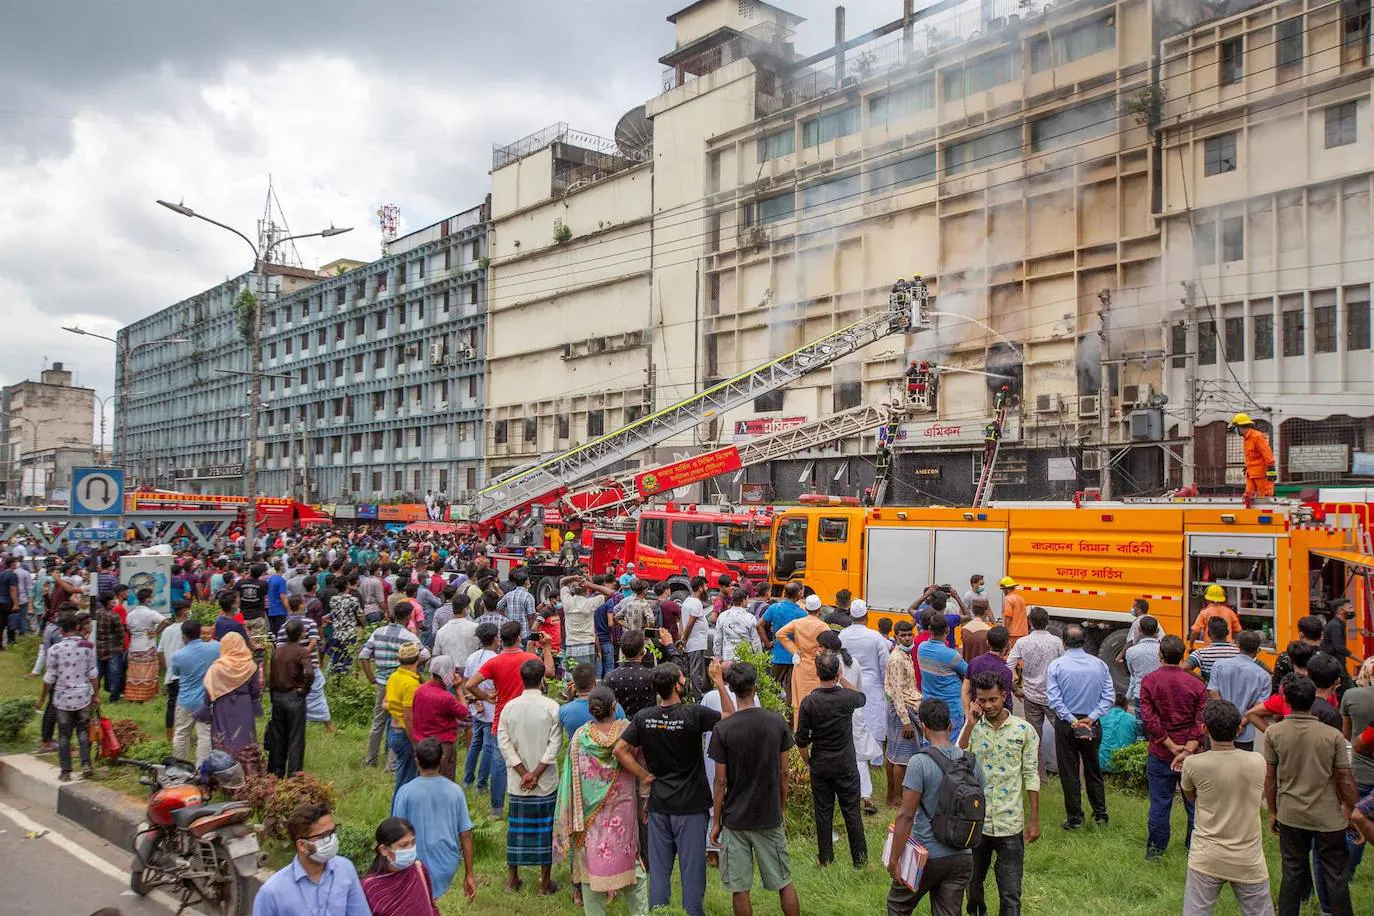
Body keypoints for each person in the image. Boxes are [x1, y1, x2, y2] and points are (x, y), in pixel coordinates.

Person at [616, 660, 732, 916]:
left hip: (659, 804)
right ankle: (693, 912)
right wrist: (719, 683)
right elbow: (730, 717)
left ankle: (659, 911)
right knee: (692, 870)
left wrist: (645, 776)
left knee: (659, 869)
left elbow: (620, 750)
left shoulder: (644, 718)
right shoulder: (693, 714)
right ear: (678, 686)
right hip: (690, 806)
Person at [707, 662, 801, 916]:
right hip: (768, 814)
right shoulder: (776, 721)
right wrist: (781, 806)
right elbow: (784, 772)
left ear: (731, 689)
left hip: (735, 817)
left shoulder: (723, 729)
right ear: (755, 687)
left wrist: (716, 821)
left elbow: (720, 781)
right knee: (783, 880)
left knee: (739, 887)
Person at [555, 685, 653, 916]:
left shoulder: (580, 738)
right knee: (632, 866)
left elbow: (571, 777)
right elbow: (643, 761)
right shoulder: (627, 732)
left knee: (591, 868)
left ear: (591, 711)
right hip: (623, 811)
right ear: (614, 706)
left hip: (590, 816)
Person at [1262, 674, 1356, 916]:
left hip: (1291, 814)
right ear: (1313, 699)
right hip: (1329, 817)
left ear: (1286, 699)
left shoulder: (1274, 733)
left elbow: (1270, 777)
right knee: (1336, 876)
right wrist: (1351, 810)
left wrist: (1272, 811)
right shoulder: (1332, 735)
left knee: (1292, 873)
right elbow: (1344, 777)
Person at [886, 699, 985, 916]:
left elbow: (905, 815)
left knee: (898, 905)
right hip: (962, 856)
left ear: (922, 726)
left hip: (926, 857)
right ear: (950, 725)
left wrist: (894, 859)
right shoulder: (971, 762)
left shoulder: (919, 762)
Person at [958, 672, 1040, 916]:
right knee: (973, 886)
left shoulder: (1024, 731)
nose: (988, 706)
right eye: (982, 700)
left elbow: (1031, 774)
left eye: (993, 699)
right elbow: (957, 760)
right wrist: (970, 725)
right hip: (977, 824)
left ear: (1004, 695)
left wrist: (1034, 819)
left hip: (1010, 825)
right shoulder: (973, 728)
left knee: (1010, 892)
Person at [1180, 700, 1272, 916]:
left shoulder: (1194, 764)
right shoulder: (1257, 761)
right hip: (1248, 858)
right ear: (1240, 728)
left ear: (1204, 729)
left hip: (1206, 855)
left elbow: (1190, 795)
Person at [795, 649, 867, 868]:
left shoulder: (809, 702)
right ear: (837, 670)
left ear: (817, 673)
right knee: (852, 811)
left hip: (821, 764)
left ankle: (825, 858)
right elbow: (861, 698)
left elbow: (801, 739)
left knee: (823, 812)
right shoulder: (846, 698)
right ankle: (860, 860)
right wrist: (842, 678)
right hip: (845, 763)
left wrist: (807, 761)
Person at [497, 658, 562, 895]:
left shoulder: (509, 707)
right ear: (543, 679)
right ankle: (545, 884)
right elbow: (555, 744)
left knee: (516, 830)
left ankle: (512, 879)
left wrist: (523, 773)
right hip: (544, 781)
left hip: (518, 782)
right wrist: (535, 774)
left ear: (521, 679)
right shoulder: (552, 707)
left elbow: (503, 743)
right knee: (545, 830)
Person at [1139, 634, 1206, 858]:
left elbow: (1149, 719)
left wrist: (1169, 745)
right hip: (1192, 755)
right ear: (1183, 656)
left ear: (1160, 656)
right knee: (1194, 805)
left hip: (1160, 753)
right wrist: (1186, 749)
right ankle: (1194, 850)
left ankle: (1155, 852)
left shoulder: (1149, 681)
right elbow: (1201, 721)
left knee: (1159, 804)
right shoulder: (1196, 684)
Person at [391, 738, 478, 902]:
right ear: (442, 759)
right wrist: (469, 875)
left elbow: (396, 833)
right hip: (447, 864)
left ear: (416, 761)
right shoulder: (456, 791)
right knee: (428, 903)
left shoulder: (405, 792)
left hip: (414, 864)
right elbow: (465, 833)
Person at [1045, 623, 1114, 828]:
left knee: (1069, 771)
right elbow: (1108, 697)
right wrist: (1091, 718)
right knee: (1093, 769)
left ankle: (1075, 818)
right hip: (1092, 722)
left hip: (1067, 723)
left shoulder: (1057, 665)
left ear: (1064, 643)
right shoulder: (1099, 665)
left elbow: (1054, 700)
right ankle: (1100, 815)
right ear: (1084, 641)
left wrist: (1072, 720)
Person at [251, 802, 369, 916]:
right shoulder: (272, 892)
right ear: (302, 845)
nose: (332, 839)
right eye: (324, 836)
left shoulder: (345, 869)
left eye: (333, 831)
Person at [360, 603, 427, 769]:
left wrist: (370, 676)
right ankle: (392, 764)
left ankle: (370, 760)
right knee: (398, 721)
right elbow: (425, 654)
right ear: (408, 617)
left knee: (378, 723)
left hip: (382, 682)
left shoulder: (378, 632)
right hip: (401, 682)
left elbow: (364, 655)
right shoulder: (409, 637)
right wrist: (414, 664)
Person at [36, 612, 98, 781]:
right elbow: (93, 674)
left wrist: (42, 698)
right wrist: (96, 696)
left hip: (62, 698)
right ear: (77, 627)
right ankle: (86, 764)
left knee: (64, 735)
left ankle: (65, 771)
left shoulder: (54, 650)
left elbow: (49, 678)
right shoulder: (87, 646)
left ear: (61, 630)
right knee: (83, 731)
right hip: (83, 695)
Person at [1006, 606, 1063, 778]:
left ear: (1030, 622)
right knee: (1063, 736)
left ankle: (1039, 776)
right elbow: (1064, 666)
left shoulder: (1022, 642)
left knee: (1034, 738)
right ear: (1047, 622)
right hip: (1053, 696)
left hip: (1030, 695)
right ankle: (1066, 772)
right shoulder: (1057, 642)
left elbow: (1008, 666)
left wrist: (1014, 688)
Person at [838, 598, 889, 774]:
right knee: (874, 720)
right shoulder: (875, 637)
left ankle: (853, 753)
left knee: (852, 719)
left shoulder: (842, 635)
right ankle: (875, 759)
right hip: (872, 684)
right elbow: (884, 664)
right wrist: (885, 684)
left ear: (850, 616)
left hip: (849, 681)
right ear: (866, 617)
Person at [461, 623, 504, 810]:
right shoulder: (496, 659)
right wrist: (486, 697)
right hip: (491, 708)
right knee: (488, 747)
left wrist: (474, 700)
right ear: (495, 639)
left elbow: (466, 683)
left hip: (476, 707)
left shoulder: (472, 657)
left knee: (476, 744)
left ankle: (468, 779)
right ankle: (481, 783)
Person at [361, 817, 441, 916]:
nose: (410, 849)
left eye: (413, 843)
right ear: (384, 850)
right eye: (403, 845)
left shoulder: (418, 869)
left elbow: (429, 905)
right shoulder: (370, 887)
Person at [1207, 630, 1271, 751]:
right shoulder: (1264, 676)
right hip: (1244, 733)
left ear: (1237, 645)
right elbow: (1258, 707)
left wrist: (1225, 717)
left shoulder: (1219, 665)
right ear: (1258, 651)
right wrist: (1240, 724)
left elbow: (1213, 692)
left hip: (1218, 728)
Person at [204, 631, 262, 762]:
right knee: (244, 735)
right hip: (244, 704)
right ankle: (247, 767)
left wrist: (206, 706)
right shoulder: (250, 666)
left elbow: (209, 689)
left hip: (222, 705)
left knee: (222, 736)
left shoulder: (217, 667)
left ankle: (223, 765)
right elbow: (255, 690)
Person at [410, 656, 469, 781]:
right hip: (442, 745)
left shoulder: (420, 690)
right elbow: (464, 713)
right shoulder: (445, 697)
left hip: (422, 743)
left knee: (424, 780)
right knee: (444, 780)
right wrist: (458, 689)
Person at [266, 619, 312, 778]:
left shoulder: (278, 651)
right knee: (296, 738)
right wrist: (303, 691)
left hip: (278, 696)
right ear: (301, 634)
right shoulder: (301, 652)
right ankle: (294, 775)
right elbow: (310, 673)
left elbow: (270, 676)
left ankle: (275, 774)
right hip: (294, 697)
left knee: (278, 737)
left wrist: (273, 696)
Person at [885, 619, 924, 808]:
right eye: (903, 635)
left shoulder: (904, 655)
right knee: (901, 758)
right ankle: (896, 798)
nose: (908, 638)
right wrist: (906, 721)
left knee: (893, 754)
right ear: (896, 637)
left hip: (906, 707)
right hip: (903, 710)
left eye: (910, 634)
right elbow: (897, 692)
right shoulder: (896, 659)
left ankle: (892, 796)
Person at [170, 619, 219, 764]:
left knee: (181, 733)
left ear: (184, 636)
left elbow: (176, 672)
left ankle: (179, 766)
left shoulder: (178, 655)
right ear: (200, 633)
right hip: (206, 701)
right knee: (204, 735)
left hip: (185, 700)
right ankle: (201, 770)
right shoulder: (215, 648)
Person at [775, 594, 830, 720]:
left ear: (806, 609)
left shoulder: (797, 623)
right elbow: (829, 644)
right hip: (817, 666)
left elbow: (780, 634)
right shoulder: (823, 626)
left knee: (799, 704)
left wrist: (795, 650)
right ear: (820, 610)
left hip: (801, 665)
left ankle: (799, 734)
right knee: (817, 703)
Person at [917, 615, 969, 736]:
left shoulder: (921, 647)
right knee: (951, 746)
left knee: (931, 742)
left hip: (929, 706)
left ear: (930, 628)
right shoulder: (951, 655)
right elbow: (968, 672)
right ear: (948, 630)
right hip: (951, 709)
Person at [385, 641, 425, 792]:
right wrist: (416, 744)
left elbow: (386, 703)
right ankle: (399, 811)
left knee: (403, 775)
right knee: (406, 781)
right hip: (404, 734)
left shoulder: (394, 677)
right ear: (418, 658)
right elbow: (409, 718)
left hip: (393, 730)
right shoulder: (411, 684)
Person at [760, 582, 806, 703]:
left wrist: (767, 643)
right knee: (792, 689)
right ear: (798, 595)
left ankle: (771, 712)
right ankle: (790, 718)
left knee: (772, 688)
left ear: (784, 593)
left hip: (777, 655)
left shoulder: (774, 608)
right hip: (795, 656)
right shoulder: (802, 613)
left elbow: (759, 625)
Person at [603, 630, 659, 718]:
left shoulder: (610, 677)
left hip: (620, 727)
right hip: (645, 725)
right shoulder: (651, 676)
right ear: (642, 651)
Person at [561, 575, 610, 674]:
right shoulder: (590, 603)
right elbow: (609, 592)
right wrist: (590, 584)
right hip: (587, 644)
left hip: (571, 645)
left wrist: (573, 577)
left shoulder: (567, 601)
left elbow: (562, 582)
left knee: (571, 678)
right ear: (587, 591)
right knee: (587, 677)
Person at [123, 589, 164, 703]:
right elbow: (166, 621)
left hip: (134, 646)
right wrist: (156, 632)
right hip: (147, 645)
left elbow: (127, 628)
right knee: (148, 672)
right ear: (147, 600)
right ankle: (146, 696)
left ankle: (133, 695)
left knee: (134, 672)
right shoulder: (151, 613)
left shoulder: (131, 614)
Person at [962, 625, 1013, 712]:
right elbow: (1005, 701)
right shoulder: (1006, 671)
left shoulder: (974, 662)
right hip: (998, 715)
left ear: (987, 643)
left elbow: (966, 691)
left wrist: (967, 713)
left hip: (977, 712)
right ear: (1007, 644)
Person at [157, 603, 188, 741]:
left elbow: (160, 652)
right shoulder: (187, 629)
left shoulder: (167, 630)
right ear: (184, 611)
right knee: (184, 706)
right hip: (184, 674)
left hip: (170, 674)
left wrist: (167, 668)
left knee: (171, 704)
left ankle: (169, 734)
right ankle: (182, 735)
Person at [680, 576, 714, 694]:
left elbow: (682, 622)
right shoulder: (696, 603)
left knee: (690, 669)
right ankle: (696, 695)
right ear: (700, 588)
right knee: (696, 670)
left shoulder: (687, 600)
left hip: (692, 643)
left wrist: (682, 639)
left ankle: (689, 693)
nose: (707, 588)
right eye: (705, 586)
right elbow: (689, 623)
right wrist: (683, 639)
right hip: (695, 644)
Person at [1229, 413, 1275, 498]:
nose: (1235, 430)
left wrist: (1271, 470)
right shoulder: (1247, 438)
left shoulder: (1257, 436)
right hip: (1251, 474)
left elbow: (1267, 453)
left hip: (1261, 475)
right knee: (1248, 497)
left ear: (1240, 426)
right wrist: (1247, 466)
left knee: (1265, 498)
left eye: (1235, 427)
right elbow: (1252, 455)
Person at [714, 587, 763, 663]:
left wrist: (718, 658)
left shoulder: (722, 616)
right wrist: (759, 659)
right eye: (747, 599)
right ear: (743, 600)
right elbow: (755, 641)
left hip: (727, 658)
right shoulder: (750, 618)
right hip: (745, 659)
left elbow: (717, 639)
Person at [1097, 692, 1144, 773]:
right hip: (1124, 766)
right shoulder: (1133, 719)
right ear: (1126, 706)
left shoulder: (1100, 718)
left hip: (1101, 764)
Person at [1124, 615, 1163, 711]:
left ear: (1139, 630)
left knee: (1141, 724)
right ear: (1157, 631)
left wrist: (1127, 697)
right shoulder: (1163, 650)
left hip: (1140, 694)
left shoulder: (1131, 651)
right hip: (1160, 694)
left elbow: (1133, 674)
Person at [93, 595, 126, 704]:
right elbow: (121, 633)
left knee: (97, 673)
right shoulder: (114, 616)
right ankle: (113, 697)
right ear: (108, 602)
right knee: (114, 674)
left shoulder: (96, 614)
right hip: (113, 649)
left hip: (99, 648)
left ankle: (93, 695)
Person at [1187, 615, 1240, 682]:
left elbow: (1184, 668)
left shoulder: (1201, 653)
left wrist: (1203, 680)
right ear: (1227, 633)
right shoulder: (1238, 653)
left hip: (1209, 691)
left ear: (1209, 634)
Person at [433, 594, 478, 670]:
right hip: (471, 670)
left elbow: (436, 655)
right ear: (465, 609)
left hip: (450, 671)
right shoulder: (475, 627)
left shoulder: (441, 631)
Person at [1322, 598, 1360, 672]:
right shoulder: (1335, 626)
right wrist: (1361, 660)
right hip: (1334, 666)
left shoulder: (1338, 624)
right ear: (1341, 611)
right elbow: (1340, 648)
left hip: (1337, 664)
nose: (1352, 610)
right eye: (1350, 608)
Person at [998, 577, 1027, 643]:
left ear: (1006, 589)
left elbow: (1008, 617)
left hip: (1013, 635)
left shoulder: (1008, 599)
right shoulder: (1021, 598)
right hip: (1023, 633)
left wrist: (1005, 631)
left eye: (1003, 590)